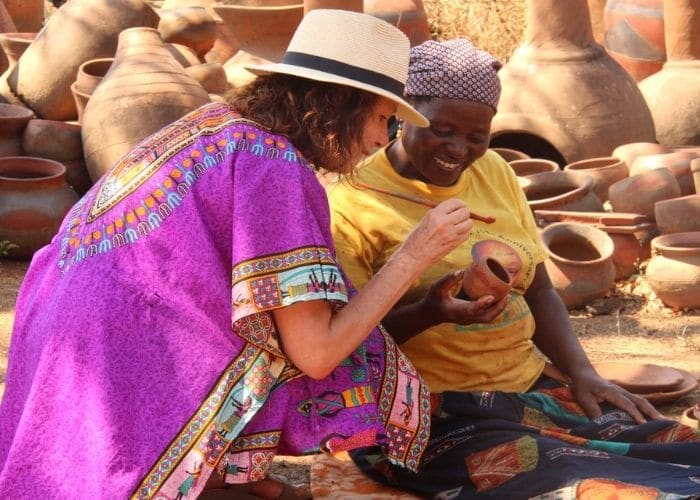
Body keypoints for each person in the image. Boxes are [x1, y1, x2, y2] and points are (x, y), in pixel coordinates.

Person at [0, 11, 478, 499]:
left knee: (266, 315)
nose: (383, 138)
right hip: (118, 360)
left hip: (59, 343)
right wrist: (415, 254)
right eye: (382, 118)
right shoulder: (273, 167)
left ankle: (221, 480)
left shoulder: (213, 125)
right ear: (340, 106)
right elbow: (316, 353)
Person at [327, 38, 700, 498]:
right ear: (405, 113)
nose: (458, 149)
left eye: (475, 136)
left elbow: (540, 290)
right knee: (587, 483)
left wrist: (582, 373)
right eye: (442, 129)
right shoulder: (352, 203)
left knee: (675, 447)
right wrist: (430, 312)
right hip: (424, 414)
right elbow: (347, 345)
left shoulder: (496, 173)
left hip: (526, 389)